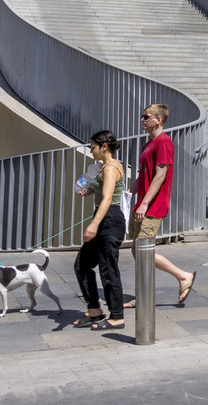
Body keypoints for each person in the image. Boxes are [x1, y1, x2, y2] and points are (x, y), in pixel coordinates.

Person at [131, 104, 198, 305]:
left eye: (146, 117)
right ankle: (142, 296)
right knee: (137, 250)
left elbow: (160, 176)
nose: (142, 120)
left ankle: (183, 276)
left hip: (152, 206)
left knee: (144, 251)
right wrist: (129, 192)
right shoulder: (149, 143)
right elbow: (144, 174)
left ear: (159, 119)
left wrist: (144, 204)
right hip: (143, 204)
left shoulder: (163, 143)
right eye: (142, 117)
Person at [73, 129, 128, 329]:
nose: (91, 151)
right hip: (105, 217)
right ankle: (95, 310)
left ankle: (117, 316)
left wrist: (94, 225)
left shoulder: (111, 168)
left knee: (108, 269)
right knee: (82, 264)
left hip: (109, 219)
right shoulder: (103, 167)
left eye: (93, 147)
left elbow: (107, 199)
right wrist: (88, 191)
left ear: (104, 147)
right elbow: (102, 191)